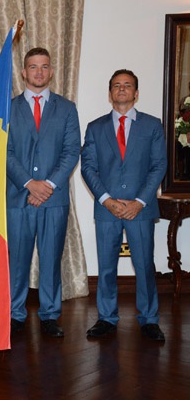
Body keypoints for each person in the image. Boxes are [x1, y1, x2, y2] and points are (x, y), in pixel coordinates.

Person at [81, 69, 167, 341]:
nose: (121, 89)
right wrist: (106, 199)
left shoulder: (152, 126)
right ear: (110, 93)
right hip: (107, 209)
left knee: (144, 265)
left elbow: (158, 166)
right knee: (106, 266)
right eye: (116, 85)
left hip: (140, 209)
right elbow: (88, 167)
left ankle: (149, 319)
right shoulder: (95, 127)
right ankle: (106, 318)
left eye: (127, 85)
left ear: (136, 93)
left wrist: (140, 201)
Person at [7, 47, 81, 337]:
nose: (39, 72)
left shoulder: (66, 108)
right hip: (18, 196)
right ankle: (15, 313)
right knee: (17, 260)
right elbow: (6, 151)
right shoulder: (8, 108)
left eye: (44, 66)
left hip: (54, 200)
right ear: (23, 72)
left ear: (51, 71)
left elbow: (72, 151)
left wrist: (47, 186)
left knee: (51, 259)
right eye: (33, 66)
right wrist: (29, 183)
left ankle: (50, 315)